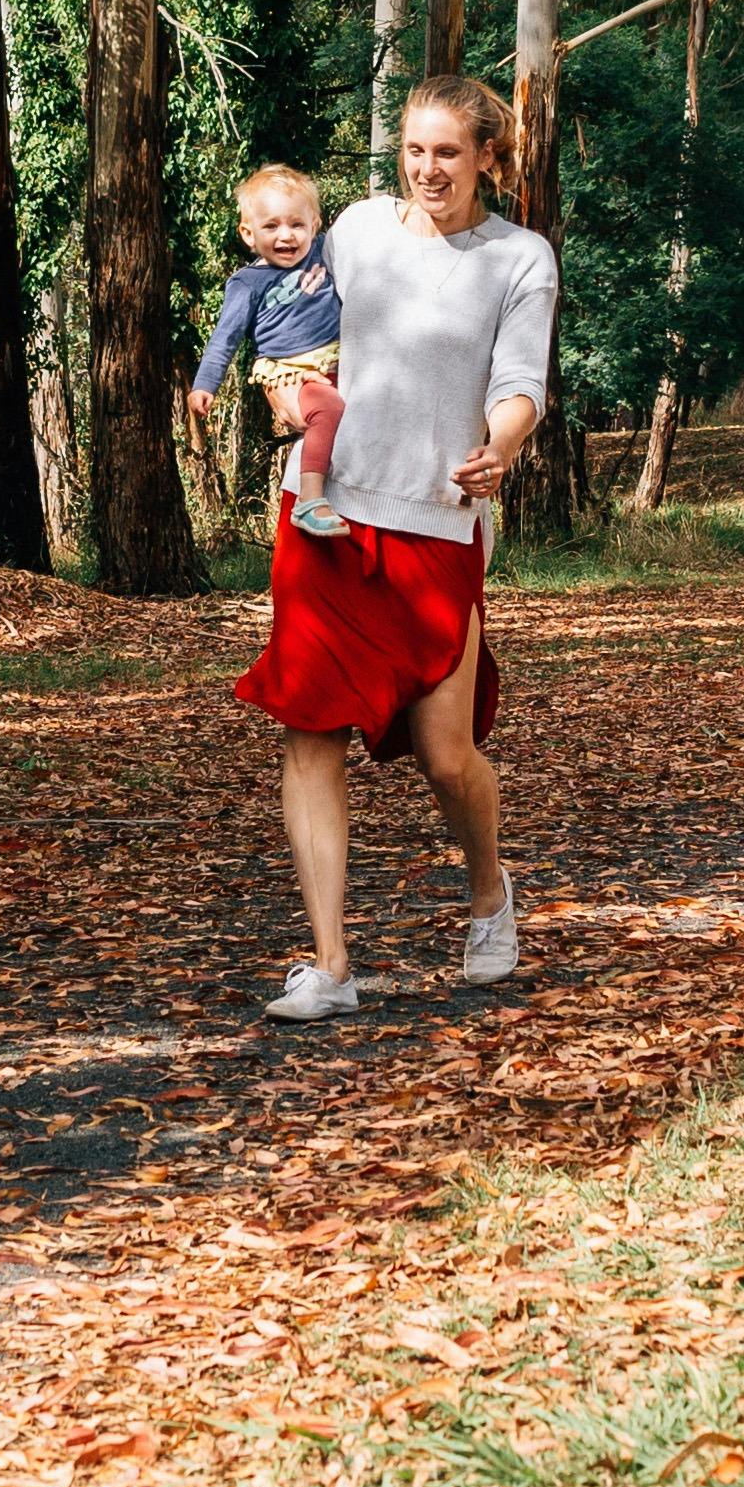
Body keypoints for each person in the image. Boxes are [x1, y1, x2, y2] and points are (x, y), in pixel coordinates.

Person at [229, 75, 551, 1019]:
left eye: (448, 152)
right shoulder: (359, 230)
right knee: (308, 727)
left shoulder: (518, 258)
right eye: (414, 150)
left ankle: (489, 896)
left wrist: (501, 446)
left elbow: (520, 380)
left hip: (438, 524)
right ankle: (330, 964)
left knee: (446, 755)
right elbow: (292, 324)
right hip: (326, 518)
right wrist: (278, 388)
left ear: (488, 156)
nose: (427, 169)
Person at [189, 164, 352, 539]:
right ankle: (310, 500)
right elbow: (224, 337)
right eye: (271, 226)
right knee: (328, 411)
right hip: (290, 370)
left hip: (338, 361)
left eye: (297, 225)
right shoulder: (248, 283)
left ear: (315, 225)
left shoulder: (324, 252)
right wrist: (205, 384)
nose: (287, 236)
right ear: (248, 233)